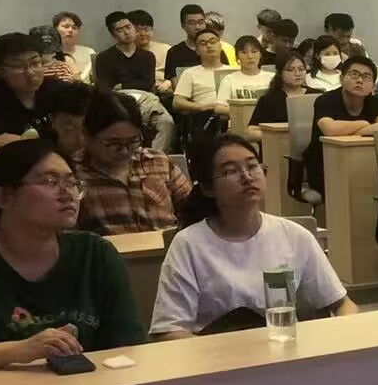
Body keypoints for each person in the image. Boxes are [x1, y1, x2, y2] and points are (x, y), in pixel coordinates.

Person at [0, 139, 146, 374]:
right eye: (50, 182)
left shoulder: (95, 254)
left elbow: (131, 346)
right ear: (3, 197)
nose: (68, 194)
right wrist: (18, 351)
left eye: (72, 183)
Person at [151, 134, 354, 337]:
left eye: (252, 166)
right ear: (208, 188)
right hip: (218, 353)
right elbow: (168, 331)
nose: (247, 177)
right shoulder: (188, 244)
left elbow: (343, 304)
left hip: (284, 349)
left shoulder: (295, 236)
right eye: (230, 171)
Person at [75, 90, 193, 234]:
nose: (125, 151)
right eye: (114, 144)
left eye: (132, 141)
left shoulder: (157, 161)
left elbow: (192, 209)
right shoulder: (74, 174)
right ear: (86, 135)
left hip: (165, 245)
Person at [303, 55, 378, 197]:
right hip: (324, 164)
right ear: (341, 78)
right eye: (354, 74)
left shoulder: (376, 101)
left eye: (366, 77)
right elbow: (329, 129)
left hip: (363, 164)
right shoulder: (325, 100)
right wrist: (363, 124)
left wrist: (354, 131)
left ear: (373, 86)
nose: (360, 80)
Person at [173, 28, 228, 142]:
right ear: (197, 51)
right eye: (203, 43)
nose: (209, 45)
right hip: (206, 117)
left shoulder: (234, 71)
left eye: (213, 41)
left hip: (234, 114)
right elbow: (177, 102)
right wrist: (202, 107)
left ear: (220, 46)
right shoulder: (190, 73)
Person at [93, 10, 157, 93]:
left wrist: (122, 86)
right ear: (113, 34)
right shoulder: (104, 57)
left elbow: (148, 84)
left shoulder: (148, 56)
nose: (126, 32)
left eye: (128, 27)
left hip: (143, 96)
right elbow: (104, 86)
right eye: (120, 30)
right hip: (116, 97)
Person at [34, 79, 93, 163]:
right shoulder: (41, 159)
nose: (80, 140)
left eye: (86, 130)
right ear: (52, 120)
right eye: (69, 129)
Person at [250, 50, 313, 127]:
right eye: (290, 70)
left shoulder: (317, 95)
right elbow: (252, 130)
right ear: (280, 73)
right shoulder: (268, 100)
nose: (297, 73)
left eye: (301, 69)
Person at [215, 36, 273, 115]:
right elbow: (219, 108)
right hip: (239, 120)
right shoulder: (229, 79)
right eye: (244, 52)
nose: (250, 56)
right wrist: (243, 112)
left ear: (260, 54)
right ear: (237, 56)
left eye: (254, 52)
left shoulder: (272, 78)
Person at [128, 10, 175, 89]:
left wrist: (168, 83)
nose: (143, 34)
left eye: (146, 30)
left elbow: (177, 74)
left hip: (163, 90)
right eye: (138, 30)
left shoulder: (166, 49)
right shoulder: (125, 53)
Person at [162, 4, 206, 82]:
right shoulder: (174, 52)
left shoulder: (215, 50)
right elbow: (176, 85)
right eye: (192, 23)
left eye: (201, 22)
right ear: (183, 26)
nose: (198, 27)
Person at [49, 11, 94, 82]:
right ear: (55, 29)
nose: (70, 30)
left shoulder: (89, 52)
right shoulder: (48, 55)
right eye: (66, 26)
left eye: (75, 28)